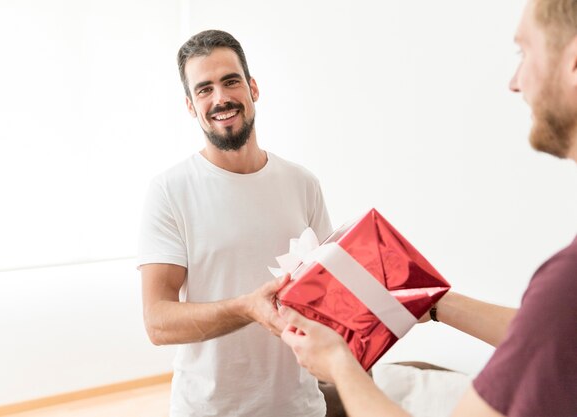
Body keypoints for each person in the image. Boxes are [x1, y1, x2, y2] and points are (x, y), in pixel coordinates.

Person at [280, 0, 577, 416]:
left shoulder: (565, 283)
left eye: (524, 52)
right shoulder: (562, 297)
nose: (515, 81)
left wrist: (338, 365)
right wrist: (434, 302)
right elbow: (547, 334)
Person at [137, 30, 332, 417]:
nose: (220, 98)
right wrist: (247, 308)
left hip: (300, 407)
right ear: (191, 106)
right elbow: (157, 322)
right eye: (204, 89)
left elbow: (328, 293)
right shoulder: (169, 191)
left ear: (253, 87)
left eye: (230, 81)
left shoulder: (303, 183)